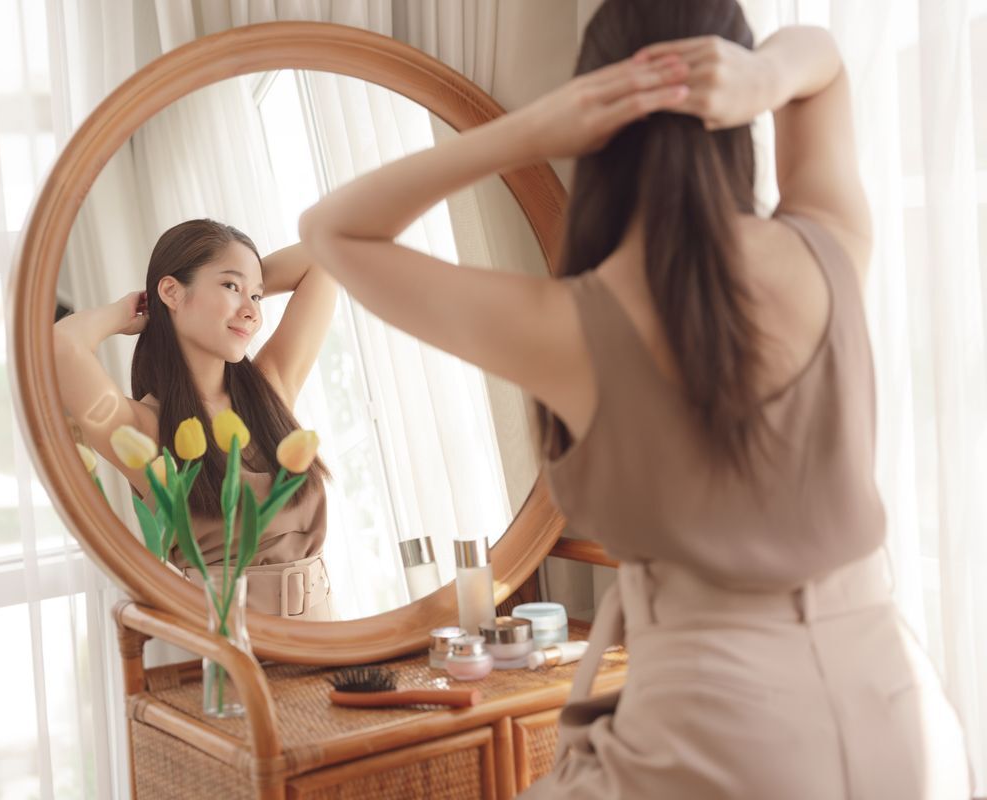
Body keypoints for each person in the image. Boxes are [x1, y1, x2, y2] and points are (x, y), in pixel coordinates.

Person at [299, 1, 972, 796]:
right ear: (736, 110)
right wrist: (766, 77)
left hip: (715, 736)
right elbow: (820, 62)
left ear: (594, 126)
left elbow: (331, 232)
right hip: (899, 718)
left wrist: (529, 131)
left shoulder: (574, 326)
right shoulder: (828, 247)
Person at [54, 219, 339, 621]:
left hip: (327, 635)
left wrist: (243, 282)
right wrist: (129, 311)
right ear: (170, 290)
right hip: (236, 650)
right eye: (231, 287)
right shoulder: (141, 430)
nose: (252, 312)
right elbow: (60, 346)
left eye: (256, 296)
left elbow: (326, 260)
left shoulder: (269, 393)